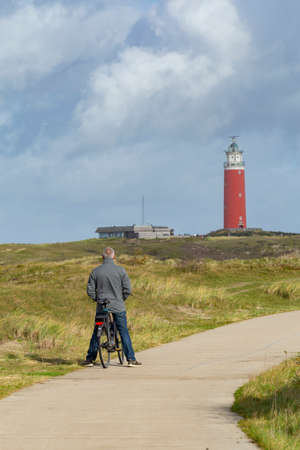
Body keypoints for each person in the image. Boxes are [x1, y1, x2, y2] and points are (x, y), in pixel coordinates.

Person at [83, 247, 142, 367]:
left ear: (102, 257)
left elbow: (90, 290)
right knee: (123, 331)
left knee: (96, 331)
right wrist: (121, 299)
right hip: (118, 305)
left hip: (102, 306)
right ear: (114, 257)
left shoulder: (95, 271)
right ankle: (130, 359)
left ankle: (90, 359)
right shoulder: (121, 270)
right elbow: (127, 289)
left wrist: (97, 299)